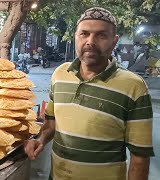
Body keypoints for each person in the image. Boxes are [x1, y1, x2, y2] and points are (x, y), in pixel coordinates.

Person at [24, 7, 154, 180]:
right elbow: (51, 124)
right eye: (84, 34)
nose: (90, 41)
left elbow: (140, 158)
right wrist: (40, 140)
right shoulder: (60, 74)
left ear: (114, 41)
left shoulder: (134, 87)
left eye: (101, 35)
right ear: (75, 36)